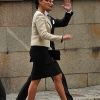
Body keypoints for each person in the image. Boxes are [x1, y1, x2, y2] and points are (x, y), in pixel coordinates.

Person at [16, 0, 73, 100]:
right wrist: (61, 37)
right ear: (39, 1)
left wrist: (68, 12)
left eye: (52, 1)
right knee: (47, 78)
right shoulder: (39, 15)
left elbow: (63, 22)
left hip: (45, 51)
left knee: (40, 79)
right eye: (48, 1)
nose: (51, 3)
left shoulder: (47, 17)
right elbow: (43, 34)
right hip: (40, 52)